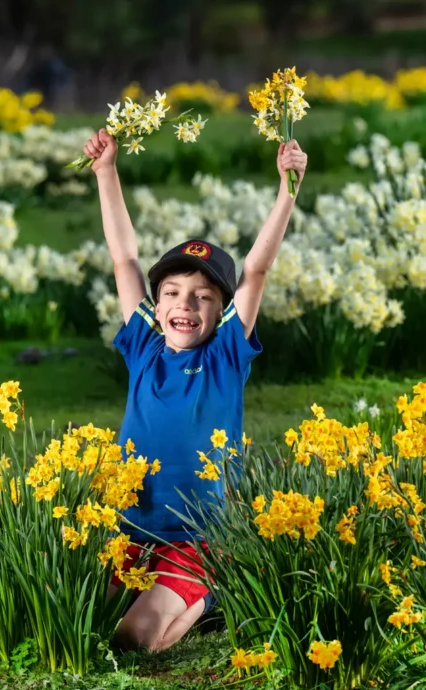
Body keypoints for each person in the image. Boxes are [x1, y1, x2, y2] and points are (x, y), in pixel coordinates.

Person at [81, 127, 307, 652]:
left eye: (204, 297)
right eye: (174, 294)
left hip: (196, 537)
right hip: (131, 530)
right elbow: (124, 260)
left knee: (131, 639)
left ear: (221, 311)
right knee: (83, 617)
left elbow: (256, 268)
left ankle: (210, 593)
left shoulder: (226, 356)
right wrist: (106, 171)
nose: (186, 305)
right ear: (156, 306)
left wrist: (287, 190)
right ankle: (187, 602)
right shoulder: (143, 347)